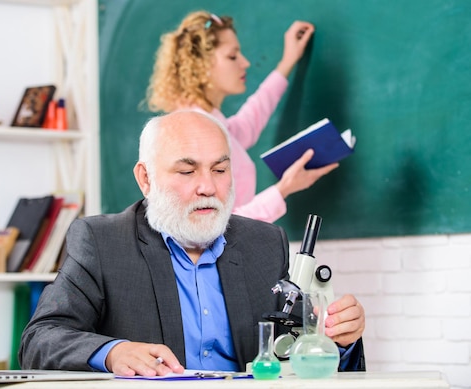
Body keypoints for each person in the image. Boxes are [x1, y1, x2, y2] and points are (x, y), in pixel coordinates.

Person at [19, 110, 365, 376]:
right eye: (187, 172)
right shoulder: (102, 242)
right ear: (145, 178)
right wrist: (113, 352)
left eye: (219, 170)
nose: (208, 187)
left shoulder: (265, 243)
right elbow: (40, 340)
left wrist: (337, 338)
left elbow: (293, 351)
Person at [146, 11, 338, 223]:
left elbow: (248, 124)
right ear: (201, 64)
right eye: (232, 56)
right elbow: (214, 225)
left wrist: (287, 63)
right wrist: (283, 189)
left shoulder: (208, 122)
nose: (245, 63)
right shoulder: (194, 133)